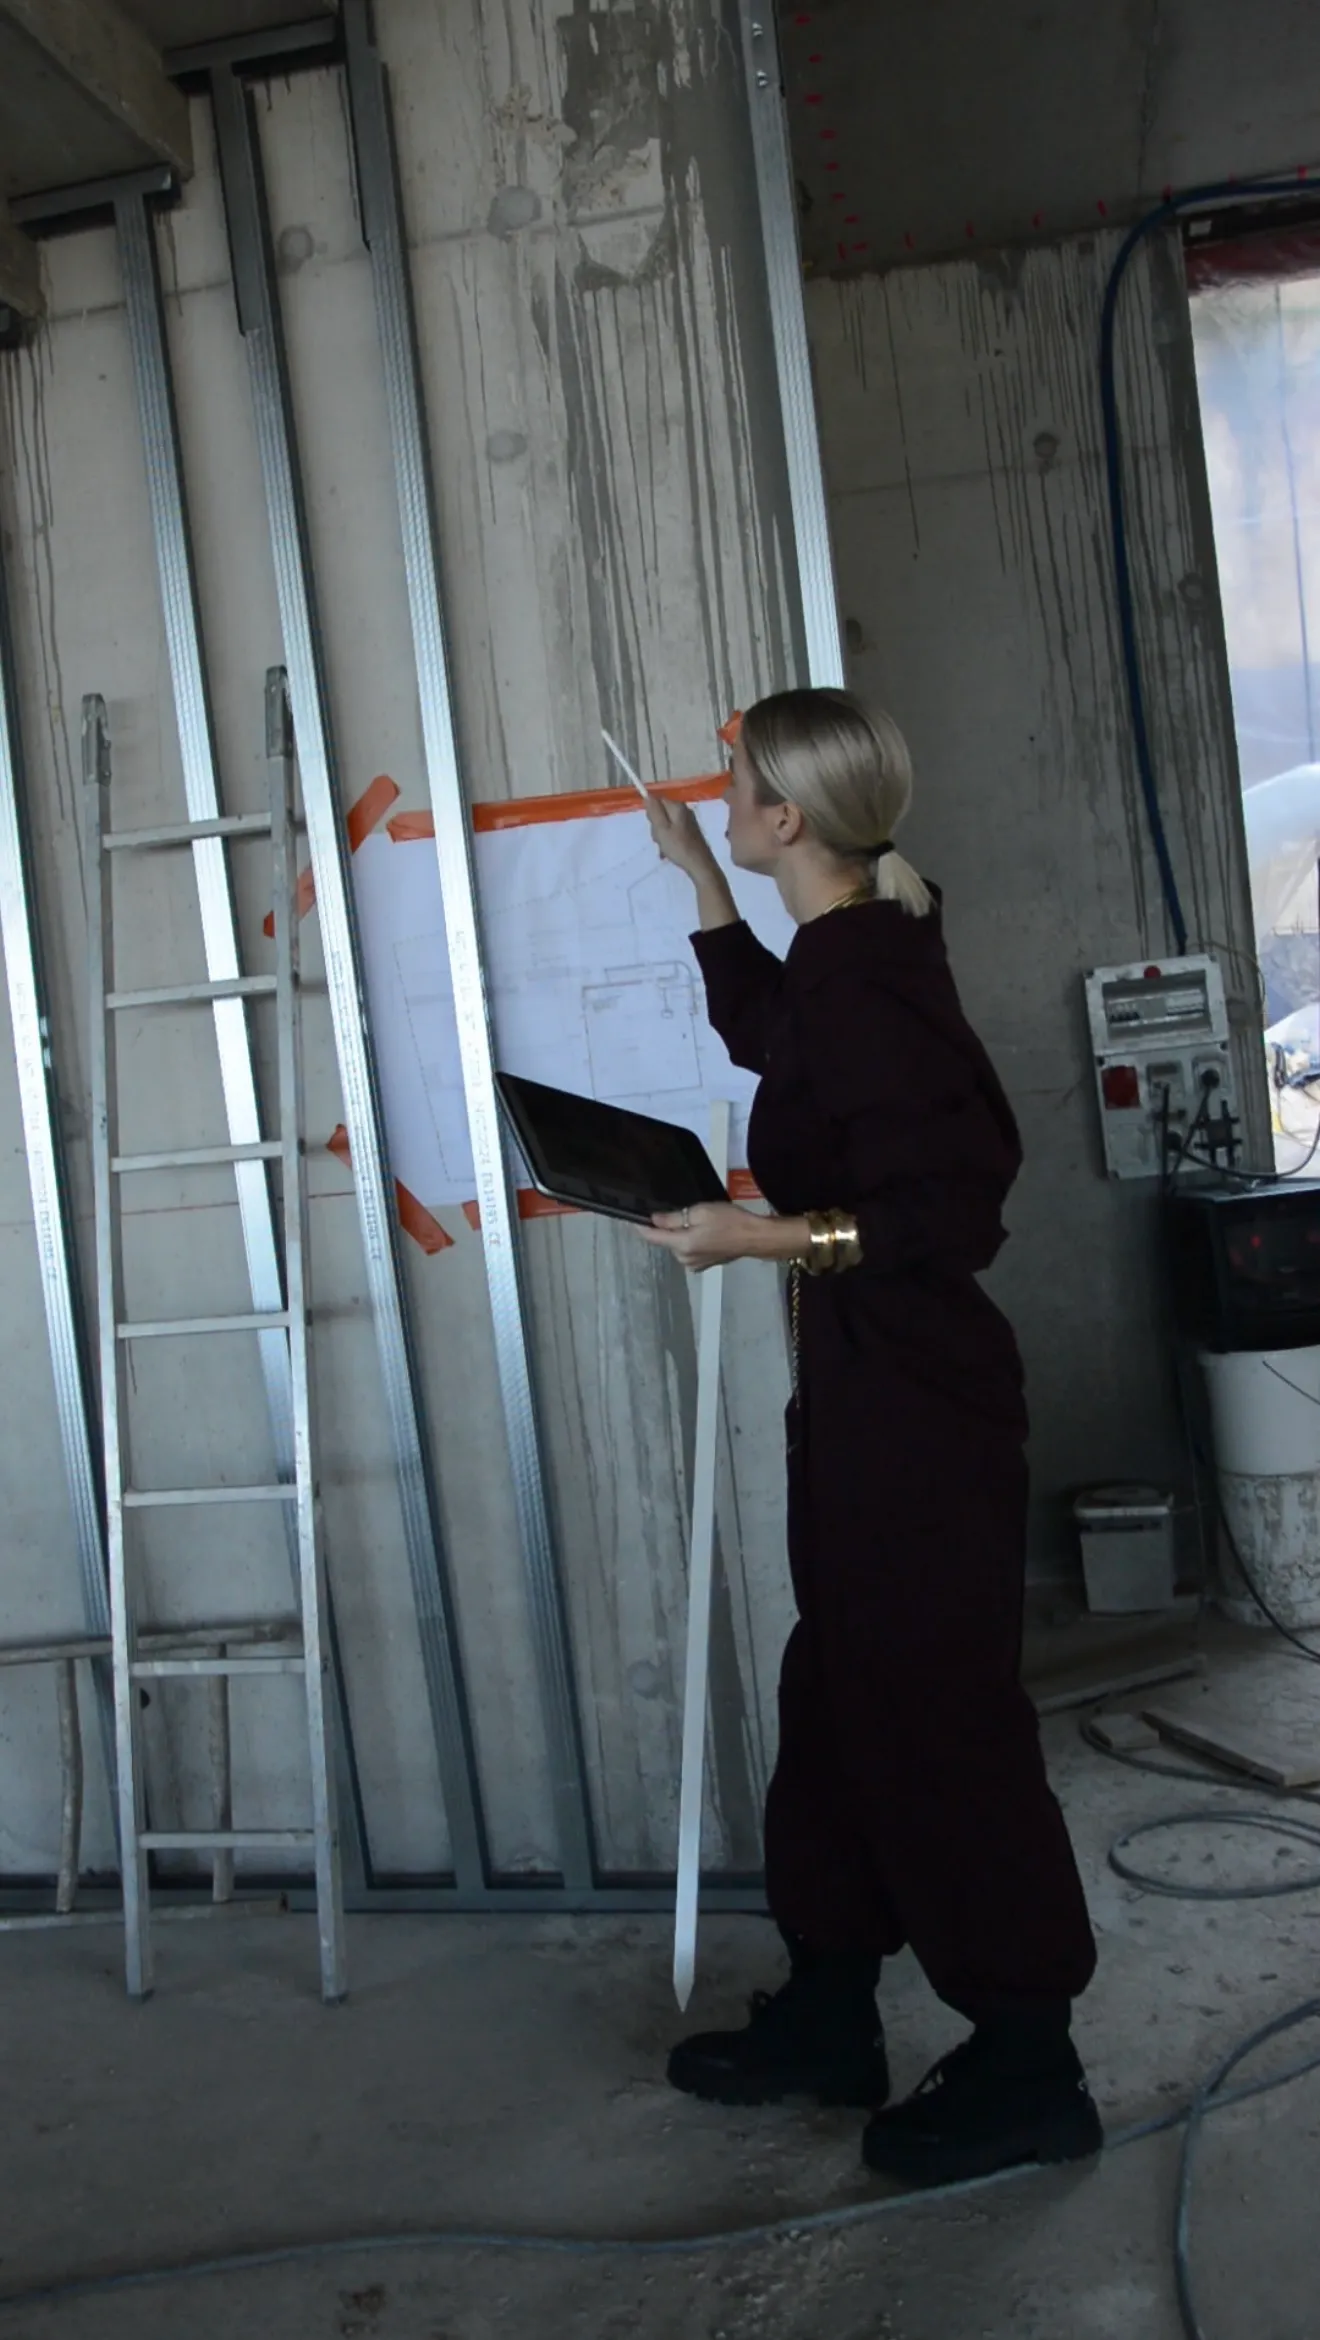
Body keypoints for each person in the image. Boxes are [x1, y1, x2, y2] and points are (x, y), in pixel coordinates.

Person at [638, 687, 1101, 2188]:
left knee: (938, 1712)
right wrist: (703, 889)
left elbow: (947, 1212)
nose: (722, 800)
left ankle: (1029, 2061)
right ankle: (833, 2006)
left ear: (788, 817)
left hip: (919, 1401)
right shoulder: (856, 945)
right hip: (863, 1387)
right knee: (839, 1688)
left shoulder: (870, 976)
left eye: (735, 792)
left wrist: (753, 1237)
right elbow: (786, 1037)